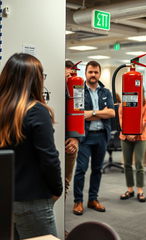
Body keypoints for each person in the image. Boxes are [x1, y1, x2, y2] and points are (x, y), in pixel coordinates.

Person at [0, 53, 63, 239]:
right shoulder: (36, 111)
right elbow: (49, 159)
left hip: (5, 197)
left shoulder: (3, 111)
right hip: (32, 200)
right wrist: (57, 190)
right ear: (34, 79)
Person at [73, 60, 115, 215]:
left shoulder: (106, 92)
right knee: (81, 169)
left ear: (99, 73)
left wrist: (92, 113)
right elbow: (79, 115)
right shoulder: (79, 90)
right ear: (86, 73)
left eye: (96, 72)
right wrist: (100, 113)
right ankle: (78, 201)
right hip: (85, 137)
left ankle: (92, 199)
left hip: (102, 136)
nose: (93, 75)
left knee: (97, 169)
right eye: (90, 72)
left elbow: (112, 113)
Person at [119, 90, 146, 202]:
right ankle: (130, 189)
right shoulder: (125, 102)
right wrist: (128, 133)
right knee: (127, 164)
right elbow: (121, 117)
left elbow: (145, 120)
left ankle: (140, 191)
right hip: (125, 136)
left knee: (139, 163)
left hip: (141, 137)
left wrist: (135, 133)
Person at [65, 60, 79, 198]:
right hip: (52, 140)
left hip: (70, 142)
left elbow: (80, 115)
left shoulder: (78, 89)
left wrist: (76, 138)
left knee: (65, 182)